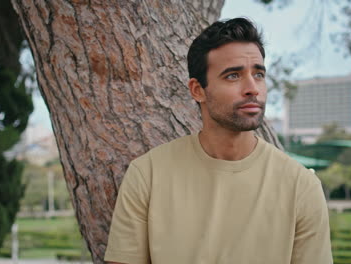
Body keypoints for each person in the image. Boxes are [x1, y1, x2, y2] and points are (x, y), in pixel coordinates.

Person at [104, 17, 332, 264]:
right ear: (197, 90)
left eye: (258, 74)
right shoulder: (147, 175)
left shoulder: (301, 187)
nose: (252, 88)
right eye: (233, 76)